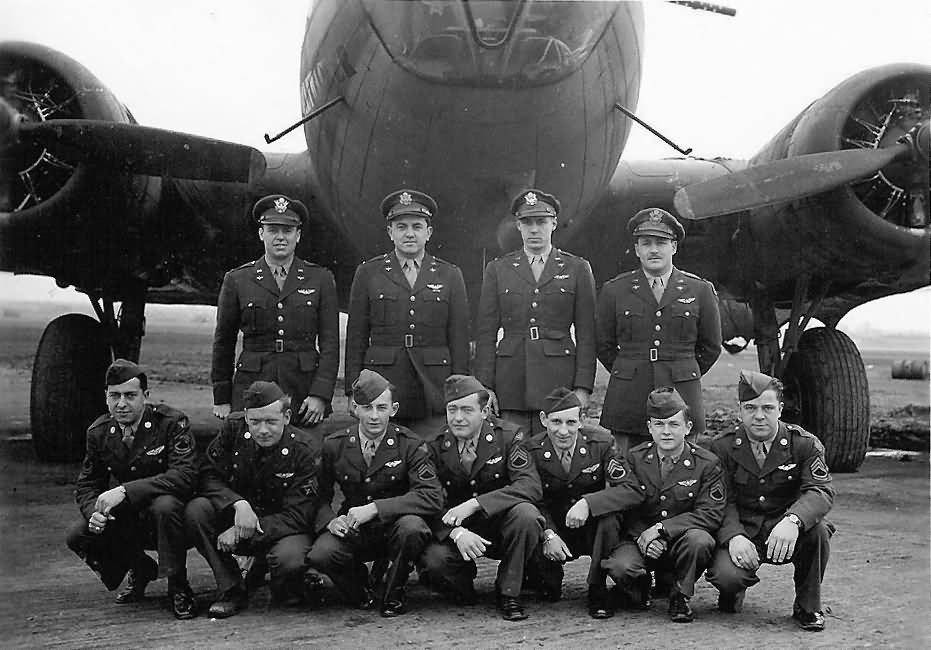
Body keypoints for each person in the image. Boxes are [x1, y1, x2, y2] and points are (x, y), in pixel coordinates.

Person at [66, 359, 198, 619]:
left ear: (145, 396)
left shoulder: (171, 423)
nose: (122, 404)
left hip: (172, 519)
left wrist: (125, 490)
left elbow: (185, 476)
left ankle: (178, 585)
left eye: (130, 395)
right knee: (77, 534)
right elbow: (88, 483)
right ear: (105, 398)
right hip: (129, 516)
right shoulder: (99, 432)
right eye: (114, 396)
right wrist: (96, 511)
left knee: (165, 505)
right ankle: (140, 568)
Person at [306, 369, 443, 617]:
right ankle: (360, 591)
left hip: (396, 528)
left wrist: (375, 509)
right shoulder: (335, 445)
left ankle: (394, 592)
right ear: (354, 409)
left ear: (394, 409)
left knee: (413, 527)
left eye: (382, 407)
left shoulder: (411, 445)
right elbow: (317, 495)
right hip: (356, 529)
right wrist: (330, 521)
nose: (374, 416)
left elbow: (431, 496)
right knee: (321, 554)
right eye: (367, 408)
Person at [705, 370, 835, 631]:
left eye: (767, 407)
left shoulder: (804, 445)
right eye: (750, 408)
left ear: (780, 409)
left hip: (783, 530)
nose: (759, 416)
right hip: (743, 530)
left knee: (817, 531)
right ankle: (733, 590)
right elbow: (719, 500)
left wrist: (793, 521)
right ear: (740, 410)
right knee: (726, 576)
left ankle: (808, 607)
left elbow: (820, 491)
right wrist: (733, 537)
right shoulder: (722, 448)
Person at [583, 387, 726, 623]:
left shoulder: (707, 464)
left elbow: (710, 513)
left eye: (673, 424)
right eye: (659, 425)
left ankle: (680, 595)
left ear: (688, 428)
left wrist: (661, 530)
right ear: (649, 428)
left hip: (682, 540)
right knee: (620, 566)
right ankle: (638, 589)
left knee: (700, 541)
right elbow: (625, 505)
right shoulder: (634, 459)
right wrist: (643, 536)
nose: (666, 432)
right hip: (640, 540)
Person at [184, 381, 321, 618]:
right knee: (197, 509)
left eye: (271, 421)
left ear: (287, 417)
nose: (263, 430)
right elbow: (208, 475)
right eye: (255, 422)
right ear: (246, 417)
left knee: (289, 565)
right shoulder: (233, 429)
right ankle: (231, 588)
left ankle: (280, 579)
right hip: (239, 513)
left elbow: (299, 516)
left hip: (282, 528)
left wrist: (240, 531)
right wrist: (238, 504)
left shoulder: (305, 449)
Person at [419, 374, 544, 621]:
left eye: (467, 410)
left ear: (485, 411)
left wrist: (475, 504)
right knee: (435, 563)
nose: (458, 418)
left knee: (527, 515)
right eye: (452, 409)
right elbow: (426, 500)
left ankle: (509, 592)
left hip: (500, 524)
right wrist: (457, 533)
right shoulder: (433, 446)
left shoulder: (508, 437)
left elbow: (530, 485)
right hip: (456, 529)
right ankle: (463, 586)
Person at [596, 207, 721, 452]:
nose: (654, 250)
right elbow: (604, 345)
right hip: (630, 396)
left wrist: (685, 371)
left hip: (681, 395)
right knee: (628, 471)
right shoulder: (615, 291)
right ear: (636, 249)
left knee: (682, 471)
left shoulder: (700, 290)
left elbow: (711, 346)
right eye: (646, 243)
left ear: (673, 247)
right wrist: (629, 370)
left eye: (661, 242)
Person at [344, 189, 469, 431]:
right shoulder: (369, 273)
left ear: (428, 232)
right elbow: (356, 337)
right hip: (382, 387)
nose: (409, 234)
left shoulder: (450, 275)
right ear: (390, 232)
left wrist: (460, 391)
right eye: (401, 227)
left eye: (417, 226)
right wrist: (353, 389)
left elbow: (459, 339)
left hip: (433, 387)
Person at [211, 193, 339, 428]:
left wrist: (320, 394)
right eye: (272, 230)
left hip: (303, 393)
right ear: (261, 234)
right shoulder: (238, 280)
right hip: (252, 388)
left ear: (298, 235)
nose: (280, 237)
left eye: (288, 231)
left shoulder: (320, 279)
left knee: (306, 456)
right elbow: (223, 342)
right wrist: (222, 397)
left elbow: (330, 344)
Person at [474, 189, 596, 434]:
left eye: (541, 222)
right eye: (527, 222)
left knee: (555, 454)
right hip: (511, 383)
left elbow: (587, 333)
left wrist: (582, 388)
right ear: (518, 226)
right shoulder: (499, 270)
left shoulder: (577, 268)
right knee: (513, 453)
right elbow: (486, 333)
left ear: (553, 224)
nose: (534, 229)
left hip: (558, 382)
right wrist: (485, 386)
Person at [523, 387, 635, 619]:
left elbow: (628, 489)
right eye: (556, 422)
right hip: (553, 525)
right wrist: (548, 534)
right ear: (544, 420)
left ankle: (597, 586)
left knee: (610, 517)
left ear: (582, 421)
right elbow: (529, 496)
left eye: (571, 422)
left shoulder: (601, 443)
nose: (563, 431)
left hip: (590, 527)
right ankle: (547, 574)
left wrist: (588, 503)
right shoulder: (531, 449)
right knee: (547, 590)